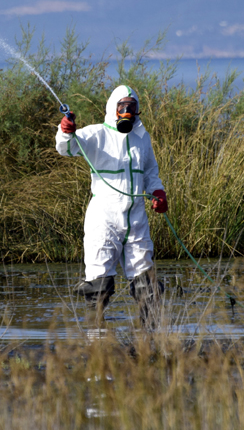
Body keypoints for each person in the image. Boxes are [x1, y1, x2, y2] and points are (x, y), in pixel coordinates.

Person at [55, 85, 167, 327]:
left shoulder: (141, 137)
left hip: (136, 217)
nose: (126, 110)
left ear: (137, 110)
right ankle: (96, 337)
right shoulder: (97, 134)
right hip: (104, 217)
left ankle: (148, 336)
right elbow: (67, 147)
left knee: (146, 282)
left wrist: (157, 192)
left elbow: (150, 171)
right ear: (112, 108)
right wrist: (66, 131)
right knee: (99, 283)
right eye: (122, 106)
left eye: (131, 106)